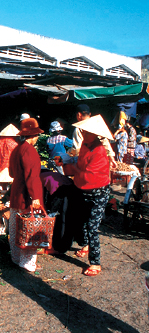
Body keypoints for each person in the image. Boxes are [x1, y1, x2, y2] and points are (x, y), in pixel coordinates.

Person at [70, 115, 112, 277]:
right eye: (83, 131)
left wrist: (70, 168)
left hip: (98, 192)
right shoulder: (85, 145)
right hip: (84, 189)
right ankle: (86, 245)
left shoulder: (100, 150)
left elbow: (89, 174)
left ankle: (95, 262)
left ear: (95, 134)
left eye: (87, 132)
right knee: (82, 220)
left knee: (92, 227)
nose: (84, 134)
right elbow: (80, 166)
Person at [8, 118, 44, 272]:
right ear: (34, 135)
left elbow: (11, 172)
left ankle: (16, 258)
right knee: (29, 227)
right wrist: (35, 196)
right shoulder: (30, 151)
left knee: (16, 226)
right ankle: (28, 262)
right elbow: (32, 176)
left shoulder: (17, 149)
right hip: (27, 195)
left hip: (16, 191)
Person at [72, 104, 117, 169]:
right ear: (90, 114)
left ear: (79, 115)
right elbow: (105, 141)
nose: (85, 135)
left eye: (86, 134)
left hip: (86, 163)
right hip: (99, 163)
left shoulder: (79, 128)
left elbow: (77, 149)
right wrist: (111, 156)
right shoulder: (97, 126)